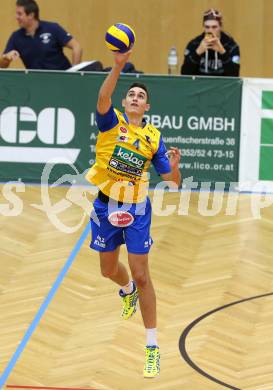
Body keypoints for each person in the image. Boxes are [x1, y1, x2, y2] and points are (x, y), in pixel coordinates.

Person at [85, 49, 181, 377]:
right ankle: (125, 292)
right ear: (124, 104)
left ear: (147, 106)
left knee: (143, 276)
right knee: (108, 270)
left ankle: (152, 346)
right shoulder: (111, 122)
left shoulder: (154, 137)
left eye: (141, 95)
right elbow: (102, 95)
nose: (136, 98)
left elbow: (171, 180)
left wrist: (176, 168)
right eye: (131, 95)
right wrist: (117, 65)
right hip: (105, 206)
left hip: (137, 210)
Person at [0, 0, 82, 70]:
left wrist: (74, 72)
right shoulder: (16, 37)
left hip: (62, 79)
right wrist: (6, 58)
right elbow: (2, 66)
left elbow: (76, 47)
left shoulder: (53, 28)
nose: (16, 17)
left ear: (31, 15)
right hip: (36, 83)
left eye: (20, 14)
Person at [181, 8, 240, 77]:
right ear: (203, 26)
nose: (210, 30)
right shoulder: (194, 44)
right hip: (199, 85)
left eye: (214, 27)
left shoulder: (231, 45)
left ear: (220, 27)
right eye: (207, 27)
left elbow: (234, 75)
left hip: (222, 86)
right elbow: (184, 74)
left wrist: (222, 52)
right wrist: (198, 52)